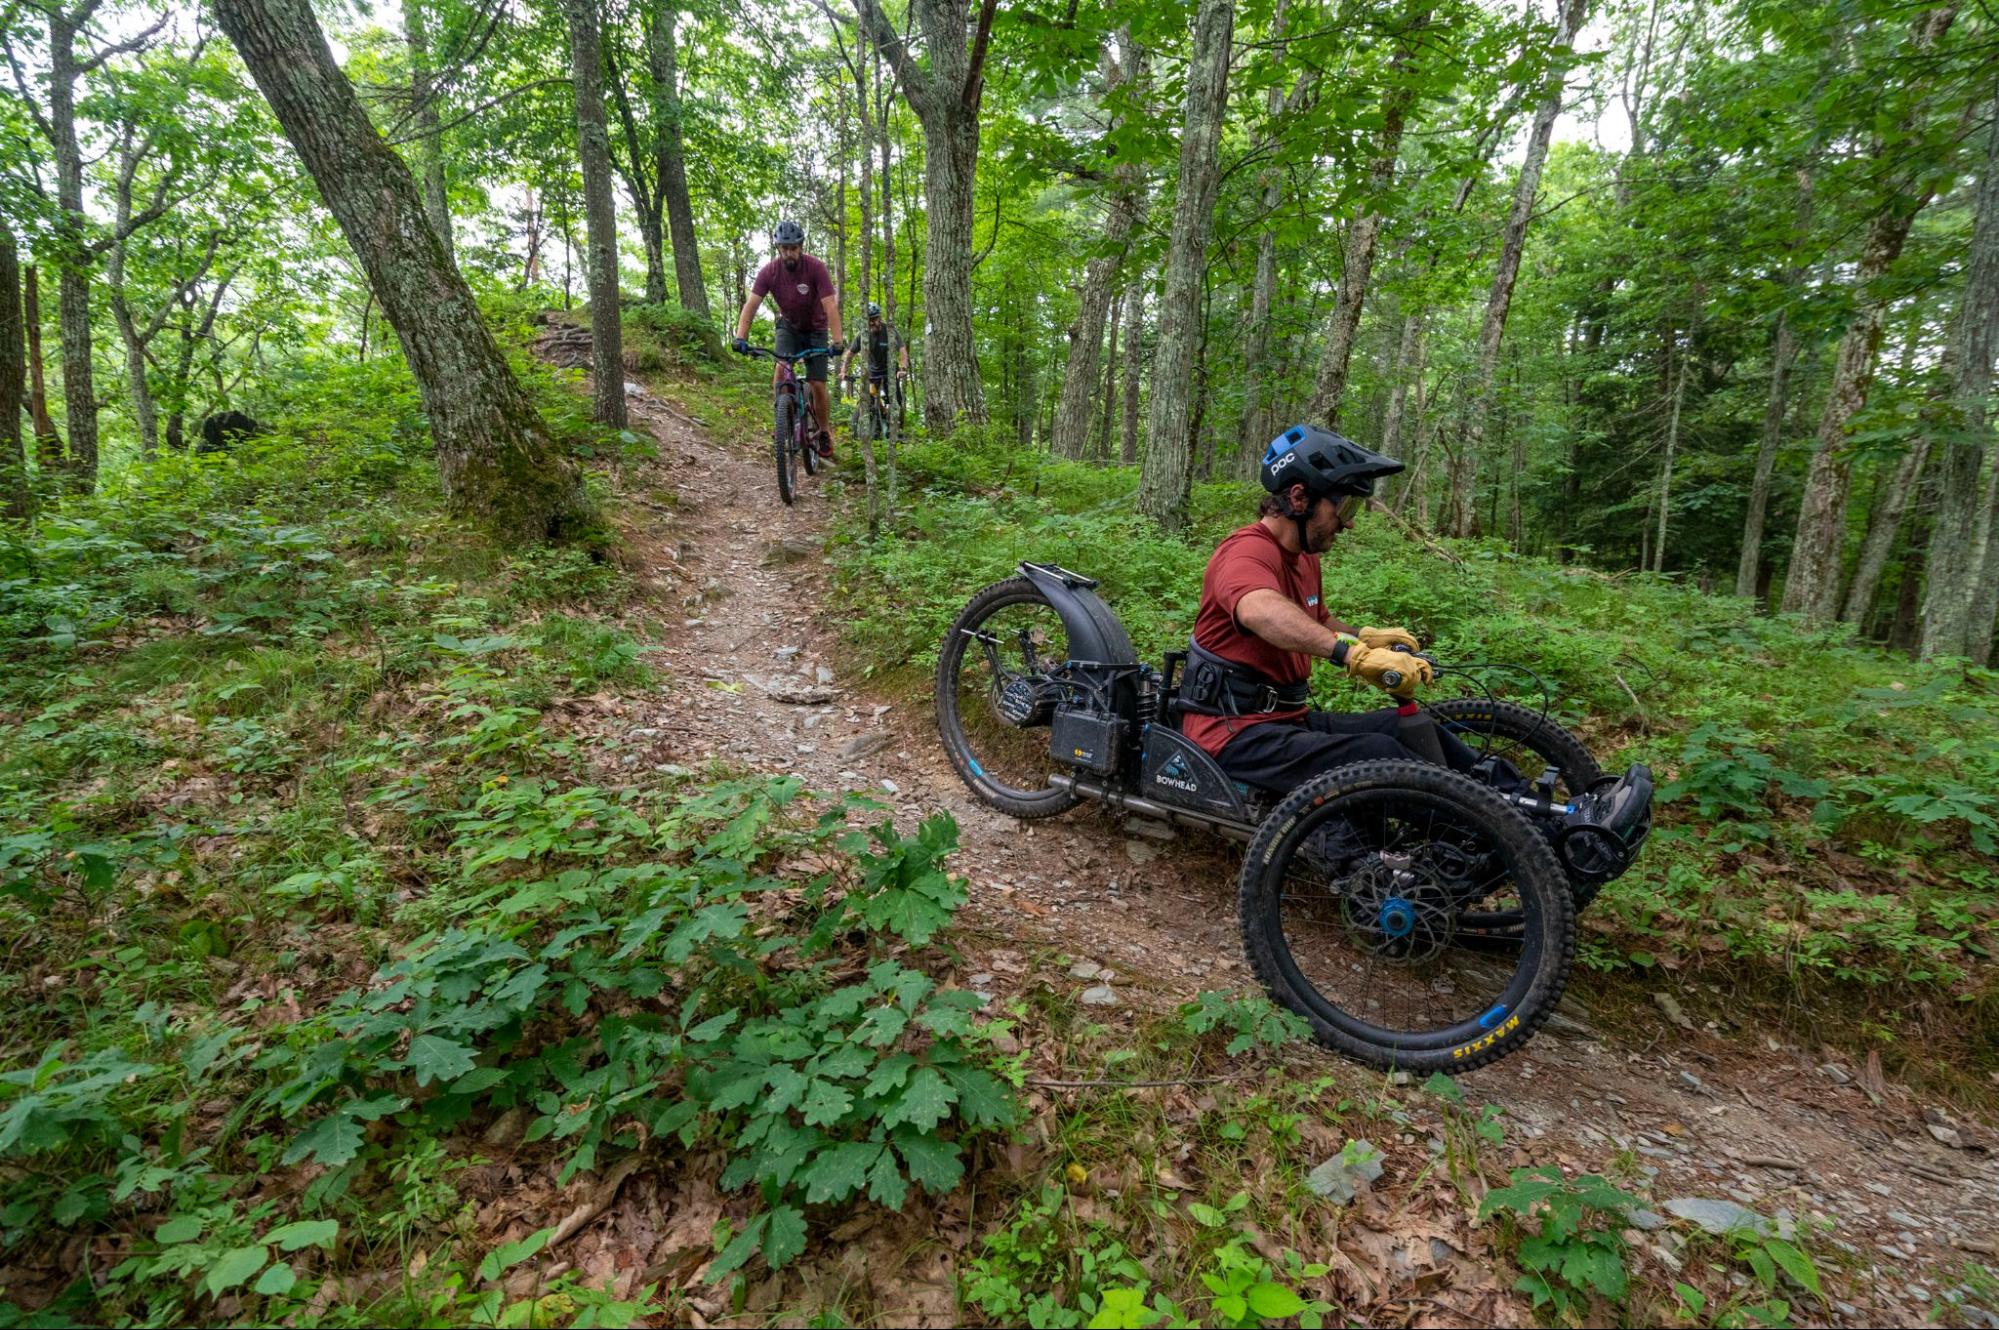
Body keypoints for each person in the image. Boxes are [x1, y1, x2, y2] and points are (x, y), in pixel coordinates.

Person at [1178, 423, 1649, 833]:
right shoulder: (1245, 551)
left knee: (1408, 731)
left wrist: (1366, 637)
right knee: (1377, 751)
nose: (1347, 524)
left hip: (1284, 720)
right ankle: (1508, 836)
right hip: (1233, 733)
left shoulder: (1302, 558)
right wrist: (1352, 655)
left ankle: (1547, 813)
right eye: (1343, 509)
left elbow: (1314, 620)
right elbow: (1262, 611)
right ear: (1299, 498)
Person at [732, 220, 843, 457]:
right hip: (789, 327)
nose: (789, 253)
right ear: (778, 248)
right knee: (780, 369)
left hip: (816, 329)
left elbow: (830, 306)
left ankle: (824, 431)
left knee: (817, 383)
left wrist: (837, 341)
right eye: (784, 248)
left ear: (801, 247)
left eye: (793, 248)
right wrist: (740, 337)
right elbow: (751, 305)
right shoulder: (769, 272)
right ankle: (782, 421)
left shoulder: (816, 268)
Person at [838, 302, 910, 421]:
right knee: (869, 398)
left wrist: (903, 369)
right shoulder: (862, 335)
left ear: (879, 317)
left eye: (874, 319)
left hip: (890, 371)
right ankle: (879, 417)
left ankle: (900, 426)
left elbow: (902, 350)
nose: (871, 322)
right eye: (869, 320)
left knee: (896, 403)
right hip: (873, 372)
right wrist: (843, 371)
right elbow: (849, 354)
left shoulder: (890, 331)